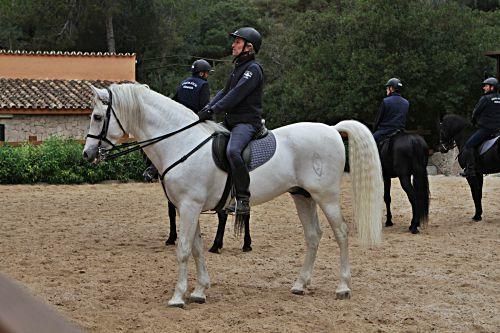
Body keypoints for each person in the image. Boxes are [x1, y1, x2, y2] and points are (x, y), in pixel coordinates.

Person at [197, 27, 264, 215]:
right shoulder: (238, 68)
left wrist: (213, 110)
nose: (233, 45)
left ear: (249, 47)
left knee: (233, 151)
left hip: (247, 123)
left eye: (237, 42)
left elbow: (237, 94)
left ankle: (243, 198)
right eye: (234, 42)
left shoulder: (253, 69)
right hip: (231, 121)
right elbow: (224, 92)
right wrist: (207, 109)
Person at [143, 58, 213, 181]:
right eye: (207, 73)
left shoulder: (184, 82)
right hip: (192, 122)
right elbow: (204, 107)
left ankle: (152, 169)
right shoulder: (203, 85)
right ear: (202, 73)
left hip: (177, 120)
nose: (207, 75)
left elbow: (174, 101)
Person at [461, 77, 500, 177]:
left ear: (492, 87)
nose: (484, 88)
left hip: (487, 129)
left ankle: (470, 169)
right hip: (498, 130)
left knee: (468, 145)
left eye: (486, 86)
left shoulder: (485, 99)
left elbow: (475, 113)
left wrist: (473, 122)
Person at [373, 78, 409, 144]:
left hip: (386, 131)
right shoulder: (406, 102)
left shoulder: (386, 101)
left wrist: (374, 130)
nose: (386, 90)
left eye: (387, 88)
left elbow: (378, 119)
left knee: (371, 142)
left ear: (391, 88)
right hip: (401, 132)